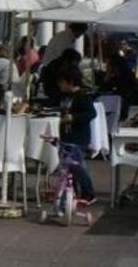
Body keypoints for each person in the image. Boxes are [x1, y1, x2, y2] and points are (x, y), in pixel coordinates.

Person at [56, 66, 97, 204]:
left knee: (76, 166)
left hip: (78, 137)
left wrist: (73, 118)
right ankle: (72, 191)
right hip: (67, 137)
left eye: (62, 82)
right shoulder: (65, 97)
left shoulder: (82, 97)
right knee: (68, 167)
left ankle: (88, 193)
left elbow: (92, 113)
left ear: (71, 82)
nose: (59, 85)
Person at [99, 53, 138, 118]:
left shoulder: (127, 76)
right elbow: (103, 89)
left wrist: (108, 76)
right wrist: (107, 76)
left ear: (114, 65)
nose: (106, 66)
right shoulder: (115, 77)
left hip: (127, 106)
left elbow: (126, 92)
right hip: (119, 105)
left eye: (108, 64)